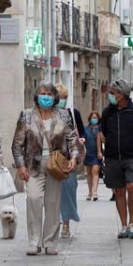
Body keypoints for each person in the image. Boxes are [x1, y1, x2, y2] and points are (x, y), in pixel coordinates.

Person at [13, 82, 80, 255]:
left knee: (52, 203)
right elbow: (17, 143)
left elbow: (72, 139)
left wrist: (73, 157)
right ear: (36, 95)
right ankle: (34, 241)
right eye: (42, 93)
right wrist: (20, 166)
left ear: (55, 97)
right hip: (33, 165)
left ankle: (50, 241)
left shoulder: (64, 115)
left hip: (56, 165)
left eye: (49, 94)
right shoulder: (26, 115)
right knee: (33, 199)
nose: (46, 97)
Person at [98, 79, 133, 239]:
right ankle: (123, 225)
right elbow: (104, 132)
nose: (111, 96)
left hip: (132, 156)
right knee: (119, 190)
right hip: (113, 157)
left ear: (122, 94)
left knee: (132, 186)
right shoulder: (108, 112)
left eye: (113, 93)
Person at [56, 83, 83, 238]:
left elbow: (81, 132)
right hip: (51, 159)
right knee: (52, 194)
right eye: (60, 98)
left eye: (65, 98)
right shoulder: (46, 114)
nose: (63, 101)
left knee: (68, 192)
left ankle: (65, 224)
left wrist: (82, 141)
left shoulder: (73, 114)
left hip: (68, 159)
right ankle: (54, 223)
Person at [83, 111, 103, 201]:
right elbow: (83, 139)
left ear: (98, 119)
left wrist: (100, 152)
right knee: (89, 173)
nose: (93, 119)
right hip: (88, 153)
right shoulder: (85, 129)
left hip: (97, 153)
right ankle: (90, 192)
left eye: (95, 118)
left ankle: (95, 192)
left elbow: (103, 141)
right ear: (89, 119)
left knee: (95, 171)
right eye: (92, 118)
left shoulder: (100, 129)